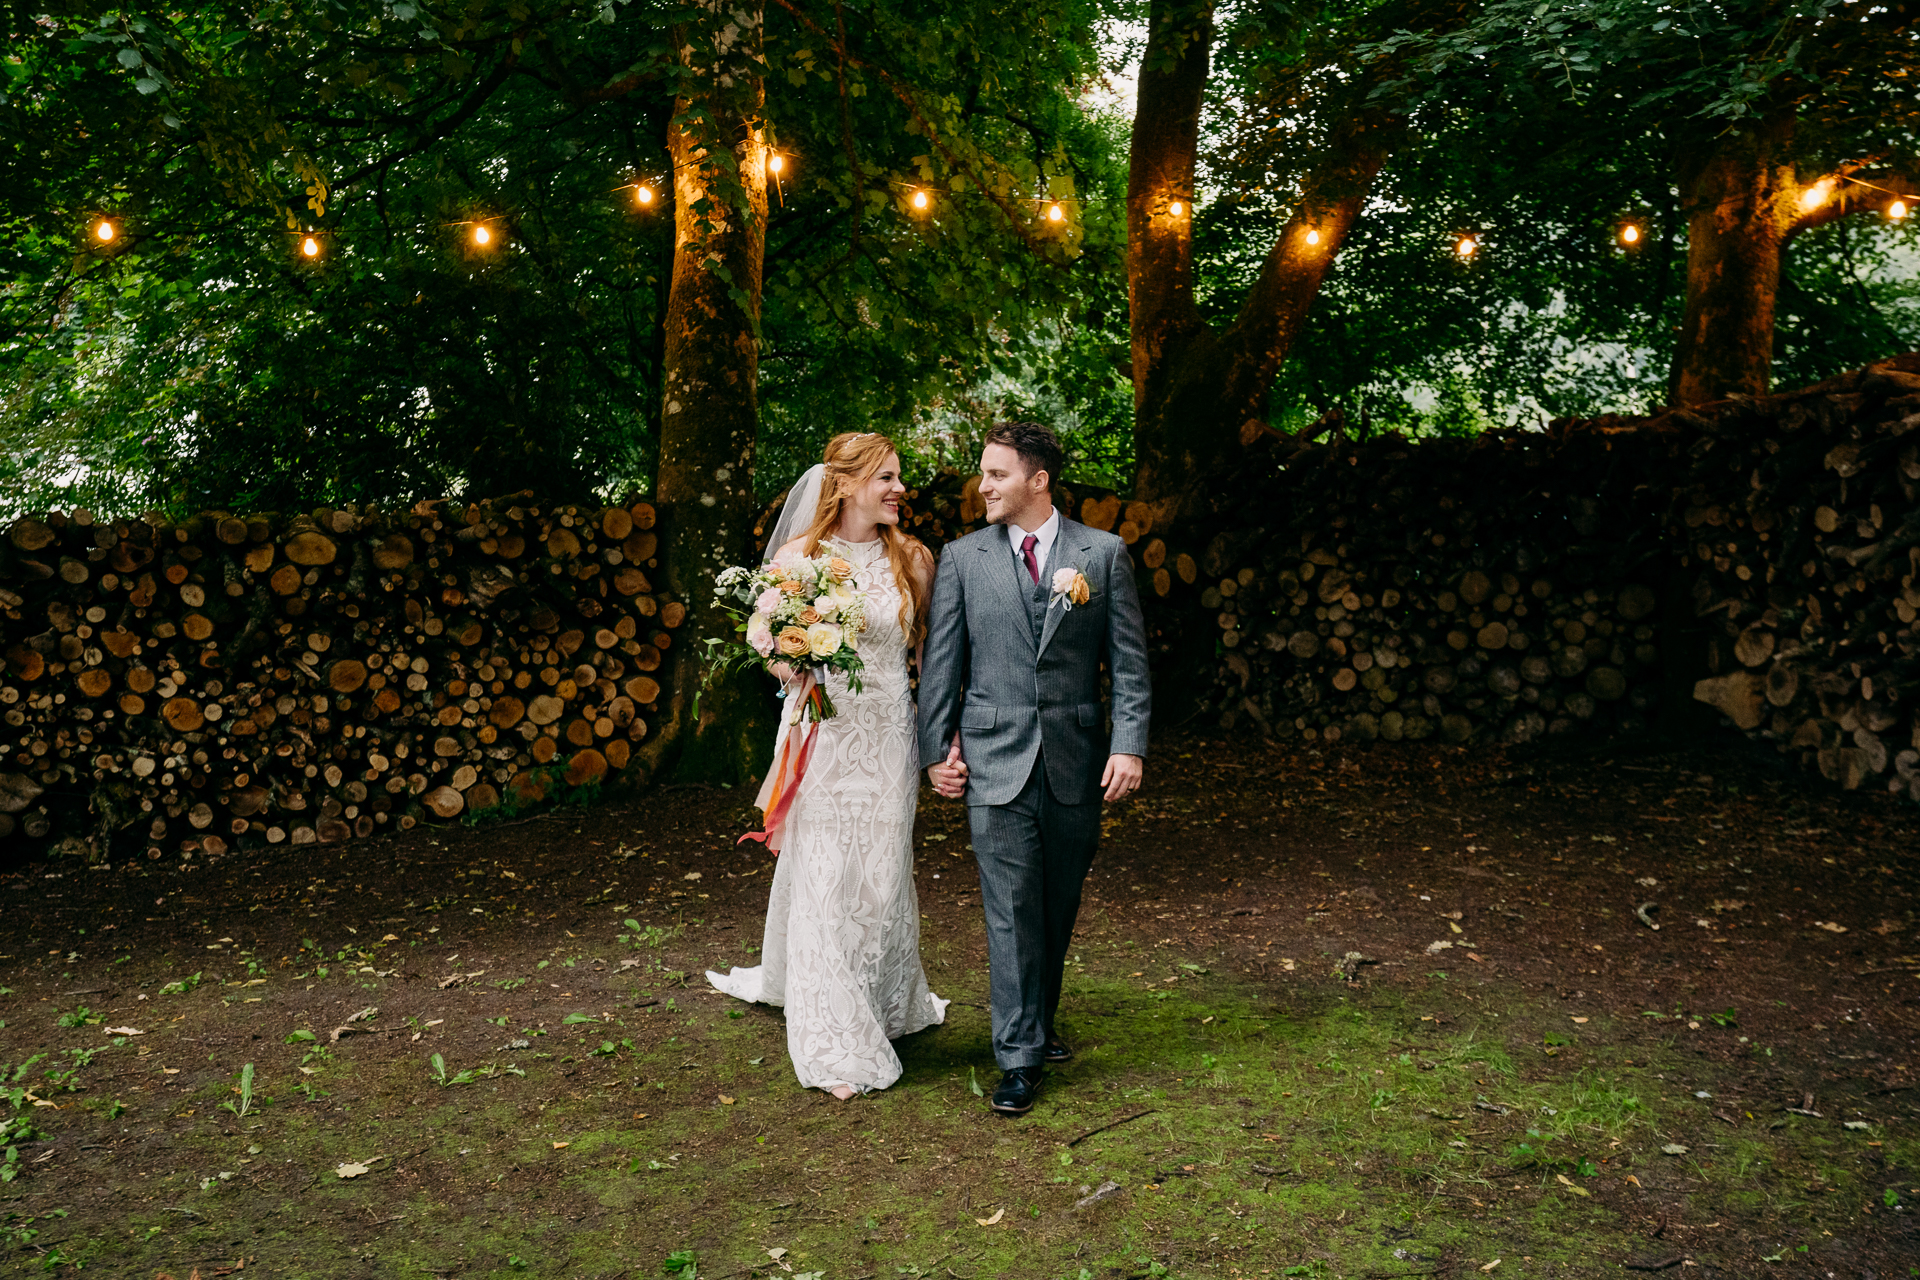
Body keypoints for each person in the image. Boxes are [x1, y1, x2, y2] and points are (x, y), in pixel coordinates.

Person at [917, 421, 1151, 1116]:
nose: (981, 486)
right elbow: (942, 667)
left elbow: (1130, 665)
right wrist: (936, 752)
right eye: (982, 474)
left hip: (1077, 761)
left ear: (1037, 480)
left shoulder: (1102, 555)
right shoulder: (962, 559)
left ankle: (1039, 1022)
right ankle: (1018, 1056)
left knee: (1057, 903)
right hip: (993, 762)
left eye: (995, 474)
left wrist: (1128, 745)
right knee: (1011, 909)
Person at [706, 432, 949, 1099]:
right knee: (823, 869)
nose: (899, 489)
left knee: (880, 869)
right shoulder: (802, 557)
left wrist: (939, 739)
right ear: (844, 484)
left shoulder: (914, 560)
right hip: (823, 734)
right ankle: (836, 1035)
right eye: (886, 478)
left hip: (889, 735)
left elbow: (929, 656)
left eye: (900, 478)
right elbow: (765, 634)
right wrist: (791, 659)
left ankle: (885, 999)